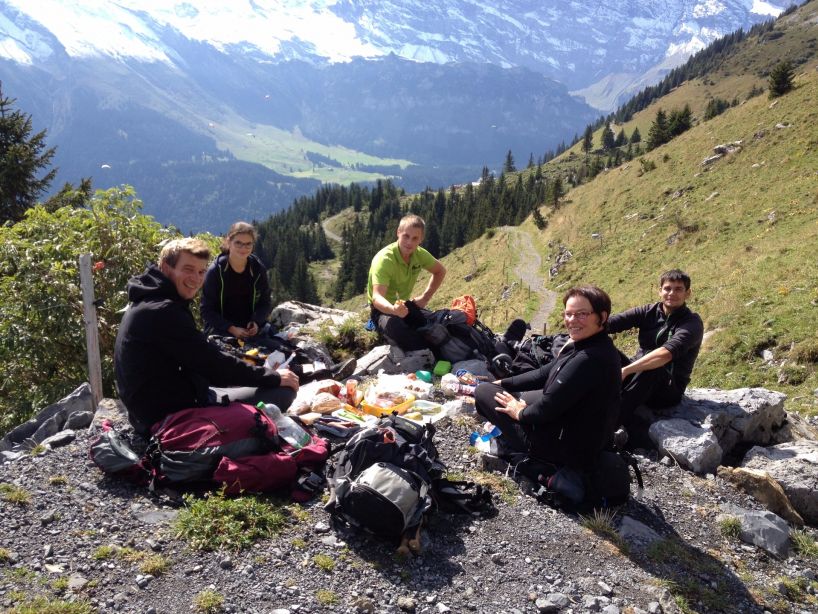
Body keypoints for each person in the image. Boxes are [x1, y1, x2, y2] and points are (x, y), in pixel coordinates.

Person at [114, 238, 299, 434]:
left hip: (154, 407)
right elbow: (213, 365)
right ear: (166, 268)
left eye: (201, 271)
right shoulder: (163, 311)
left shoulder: (150, 298)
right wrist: (272, 377)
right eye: (188, 269)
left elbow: (199, 354)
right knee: (282, 392)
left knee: (245, 383)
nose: (196, 278)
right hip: (171, 417)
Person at [473, 285, 621, 470]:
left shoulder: (589, 359)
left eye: (582, 314)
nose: (572, 320)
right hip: (583, 436)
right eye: (568, 314)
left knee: (483, 391)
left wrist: (519, 412)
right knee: (522, 396)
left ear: (603, 316)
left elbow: (545, 409)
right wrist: (503, 383)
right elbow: (544, 374)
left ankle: (525, 448)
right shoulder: (592, 344)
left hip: (560, 449)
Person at [608, 268, 704, 436]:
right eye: (667, 288)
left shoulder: (692, 323)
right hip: (638, 376)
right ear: (660, 291)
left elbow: (665, 354)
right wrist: (580, 332)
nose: (672, 293)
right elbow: (612, 323)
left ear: (688, 293)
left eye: (678, 289)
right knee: (604, 347)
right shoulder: (648, 312)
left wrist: (626, 370)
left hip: (667, 390)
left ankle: (609, 422)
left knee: (654, 367)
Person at [366, 214, 446, 351]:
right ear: (398, 232)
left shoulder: (419, 254)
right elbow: (377, 297)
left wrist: (425, 297)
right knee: (399, 330)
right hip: (382, 310)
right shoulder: (385, 260)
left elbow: (440, 271)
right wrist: (393, 310)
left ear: (421, 239)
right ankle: (429, 355)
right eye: (406, 236)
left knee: (431, 325)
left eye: (415, 238)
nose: (409, 242)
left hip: (404, 305)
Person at [201, 221, 272, 342]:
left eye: (248, 244)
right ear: (229, 242)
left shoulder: (257, 269)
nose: (243, 248)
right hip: (221, 328)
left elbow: (265, 302)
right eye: (238, 243)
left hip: (249, 327)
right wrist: (232, 328)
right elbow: (206, 310)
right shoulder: (216, 271)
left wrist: (256, 322)